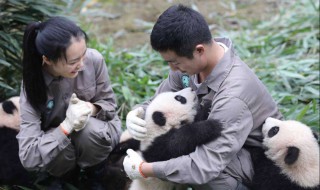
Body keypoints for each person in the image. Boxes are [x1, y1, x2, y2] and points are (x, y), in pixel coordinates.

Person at [123, 4, 283, 190]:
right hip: (227, 146)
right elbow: (160, 100)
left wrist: (145, 169)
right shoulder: (187, 66)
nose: (173, 69)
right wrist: (139, 112)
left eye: (175, 62)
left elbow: (206, 165)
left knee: (189, 159)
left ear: (199, 50)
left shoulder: (233, 95)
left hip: (261, 164)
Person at [17, 16, 122, 190]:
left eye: (83, 55)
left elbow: (110, 106)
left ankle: (96, 172)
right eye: (73, 62)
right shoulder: (32, 85)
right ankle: (65, 178)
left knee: (86, 129)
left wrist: (91, 108)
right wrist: (66, 126)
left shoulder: (94, 60)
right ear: (47, 60)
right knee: (58, 141)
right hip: (60, 149)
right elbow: (29, 156)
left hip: (97, 135)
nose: (81, 64)